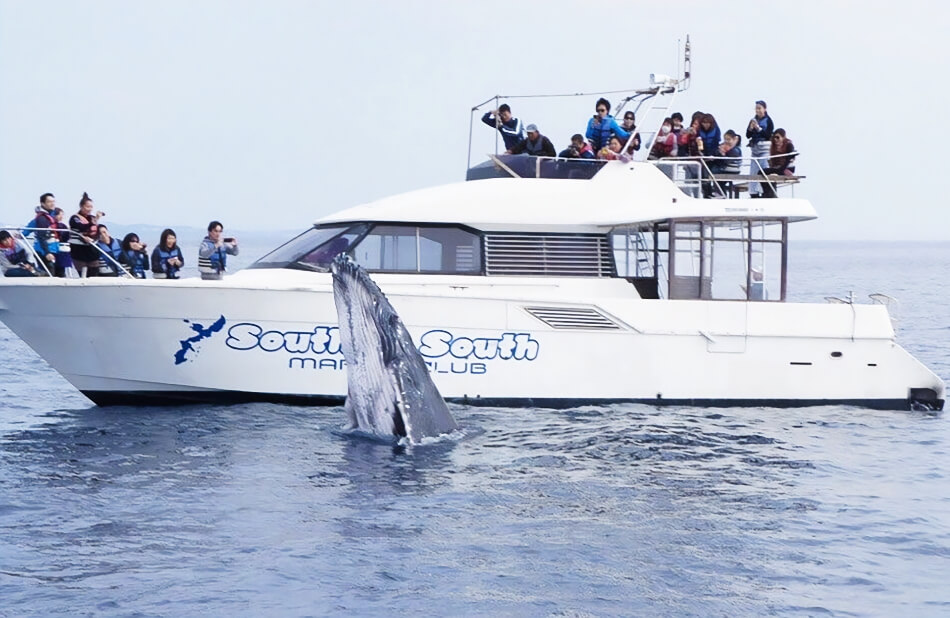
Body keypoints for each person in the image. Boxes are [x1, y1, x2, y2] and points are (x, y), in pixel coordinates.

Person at [69, 192, 104, 276]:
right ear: (81, 206)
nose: (90, 209)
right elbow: (81, 227)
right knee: (83, 275)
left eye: (91, 207)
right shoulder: (75, 218)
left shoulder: (92, 218)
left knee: (94, 275)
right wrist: (93, 222)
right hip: (79, 253)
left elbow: (95, 232)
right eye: (87, 207)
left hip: (92, 253)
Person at [745, 100, 774, 198]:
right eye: (756, 108)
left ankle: (764, 191)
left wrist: (758, 128)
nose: (758, 110)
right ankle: (753, 192)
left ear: (764, 109)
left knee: (763, 170)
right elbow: (748, 135)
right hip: (755, 149)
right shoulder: (753, 120)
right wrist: (750, 128)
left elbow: (768, 135)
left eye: (759, 108)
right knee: (753, 171)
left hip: (764, 149)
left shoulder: (769, 121)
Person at [760, 129, 797, 198]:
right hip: (777, 167)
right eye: (774, 137)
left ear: (783, 137)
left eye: (777, 137)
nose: (775, 139)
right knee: (761, 172)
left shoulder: (789, 146)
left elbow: (788, 161)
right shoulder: (774, 147)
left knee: (768, 173)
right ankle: (767, 193)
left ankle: (770, 194)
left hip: (786, 169)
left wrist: (779, 170)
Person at [29, 192, 59, 273]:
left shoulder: (51, 216)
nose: (52, 204)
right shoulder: (42, 218)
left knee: (58, 271)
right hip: (43, 251)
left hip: (53, 249)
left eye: (53, 201)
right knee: (49, 272)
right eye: (49, 202)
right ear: (43, 203)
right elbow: (41, 236)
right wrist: (47, 253)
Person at [53, 207, 72, 277]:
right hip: (57, 249)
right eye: (59, 215)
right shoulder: (54, 226)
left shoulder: (62, 225)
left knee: (61, 269)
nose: (61, 217)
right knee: (58, 269)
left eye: (62, 215)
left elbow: (66, 237)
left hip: (63, 249)